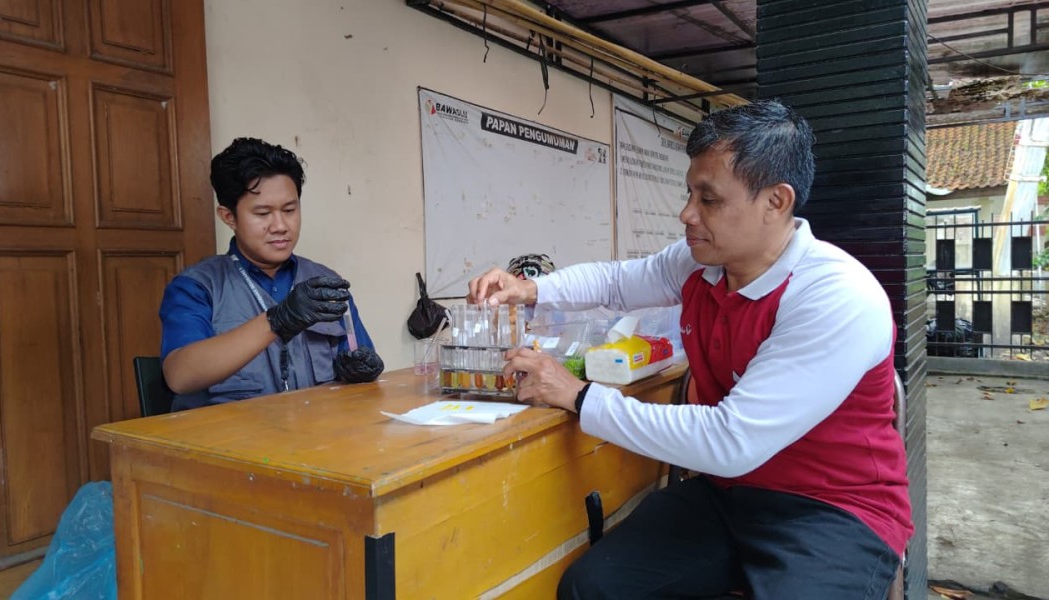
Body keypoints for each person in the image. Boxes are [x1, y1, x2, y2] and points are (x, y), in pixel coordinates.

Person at [468, 100, 912, 598]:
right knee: (591, 588)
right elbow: (617, 281)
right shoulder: (699, 264)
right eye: (689, 194)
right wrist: (530, 288)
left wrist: (579, 395)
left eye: (709, 199)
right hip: (729, 493)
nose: (687, 214)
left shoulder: (836, 296)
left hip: (835, 510)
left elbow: (731, 441)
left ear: (776, 201)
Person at [159, 137, 383, 411]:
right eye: (263, 213)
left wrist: (360, 373)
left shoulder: (324, 283)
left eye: (289, 210)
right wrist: (277, 320)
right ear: (229, 217)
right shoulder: (198, 287)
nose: (280, 226)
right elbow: (180, 376)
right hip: (232, 435)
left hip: (318, 431)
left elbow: (359, 360)